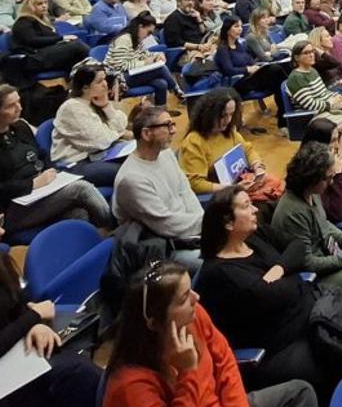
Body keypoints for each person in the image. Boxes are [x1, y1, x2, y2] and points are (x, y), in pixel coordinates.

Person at [102, 260, 321, 407]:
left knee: (299, 394)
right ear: (153, 321)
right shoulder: (129, 386)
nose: (196, 299)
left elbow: (224, 359)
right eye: (184, 298)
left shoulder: (194, 318)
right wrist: (187, 374)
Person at [196, 188, 337, 404]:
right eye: (246, 206)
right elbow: (276, 294)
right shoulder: (218, 273)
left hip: (304, 318)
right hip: (272, 348)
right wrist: (292, 276)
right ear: (227, 222)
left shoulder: (255, 236)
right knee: (334, 355)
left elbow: (298, 246)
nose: (254, 210)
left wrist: (280, 269)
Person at [0, 219, 102, 407]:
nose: (3, 230)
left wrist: (32, 323)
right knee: (75, 374)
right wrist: (33, 318)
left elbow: (17, 304)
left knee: (81, 376)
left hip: (14, 364)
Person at [0, 82, 115, 235]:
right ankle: (117, 228)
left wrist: (50, 171)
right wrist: (32, 184)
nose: (19, 108)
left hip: (43, 190)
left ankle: (84, 250)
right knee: (82, 188)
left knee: (79, 214)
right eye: (10, 106)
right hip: (14, 207)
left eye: (19, 102)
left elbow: (41, 154)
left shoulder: (21, 127)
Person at [272, 141, 342, 304]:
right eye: (329, 178)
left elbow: (324, 223)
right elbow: (307, 263)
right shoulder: (292, 213)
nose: (331, 182)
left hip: (329, 257)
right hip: (317, 278)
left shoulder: (311, 193)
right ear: (313, 178)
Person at [113, 104, 204, 270]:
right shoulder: (132, 180)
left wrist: (203, 222)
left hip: (188, 232)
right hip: (164, 248)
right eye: (167, 126)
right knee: (223, 264)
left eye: (173, 124)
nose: (174, 130)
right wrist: (206, 225)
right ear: (147, 134)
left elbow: (185, 191)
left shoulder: (166, 153)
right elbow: (166, 224)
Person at [179, 88, 283, 201]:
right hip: (222, 196)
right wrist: (234, 188)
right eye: (223, 115)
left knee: (280, 189)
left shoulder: (230, 130)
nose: (228, 120)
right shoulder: (194, 142)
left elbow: (248, 150)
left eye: (231, 114)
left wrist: (258, 167)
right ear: (209, 114)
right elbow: (195, 184)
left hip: (241, 184)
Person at [51, 60, 133, 186]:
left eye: (105, 79)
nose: (105, 84)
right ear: (85, 88)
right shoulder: (72, 108)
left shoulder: (96, 101)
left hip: (97, 156)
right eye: (99, 81)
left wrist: (106, 106)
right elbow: (98, 141)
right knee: (128, 173)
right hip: (75, 164)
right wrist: (120, 134)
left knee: (141, 160)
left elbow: (122, 123)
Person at [284, 42, 342, 163]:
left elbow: (324, 93)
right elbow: (310, 105)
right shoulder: (296, 78)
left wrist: (337, 96)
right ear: (296, 57)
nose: (311, 55)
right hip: (313, 116)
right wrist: (332, 103)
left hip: (324, 109)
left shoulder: (312, 71)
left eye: (312, 52)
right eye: (306, 53)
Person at [107, 10, 181, 105]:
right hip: (118, 78)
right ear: (140, 27)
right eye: (149, 32)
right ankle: (176, 90)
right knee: (160, 68)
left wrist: (157, 55)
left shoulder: (137, 40)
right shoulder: (124, 39)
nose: (149, 36)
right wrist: (145, 63)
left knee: (161, 84)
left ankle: (158, 114)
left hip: (132, 74)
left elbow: (146, 54)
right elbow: (119, 65)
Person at [213, 15, 292, 103]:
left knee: (278, 77)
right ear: (227, 29)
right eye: (236, 26)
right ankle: (290, 100)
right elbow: (229, 70)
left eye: (241, 26)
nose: (240, 29)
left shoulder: (238, 45)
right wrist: (247, 69)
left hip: (250, 78)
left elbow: (249, 59)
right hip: (237, 83)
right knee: (275, 70)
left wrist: (255, 66)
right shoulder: (223, 49)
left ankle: (284, 107)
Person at [9, 0, 90, 76]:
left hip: (44, 53)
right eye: (39, 4)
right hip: (32, 58)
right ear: (30, 6)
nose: (44, 6)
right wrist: (61, 38)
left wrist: (62, 41)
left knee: (74, 49)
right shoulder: (23, 21)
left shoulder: (43, 20)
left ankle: (76, 79)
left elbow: (51, 38)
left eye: (45, 3)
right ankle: (96, 67)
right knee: (76, 46)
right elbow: (32, 40)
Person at [300, 117, 342, 223]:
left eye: (338, 139)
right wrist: (337, 177)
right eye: (333, 141)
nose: (337, 146)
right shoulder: (313, 174)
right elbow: (337, 214)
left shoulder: (332, 159)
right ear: (320, 143)